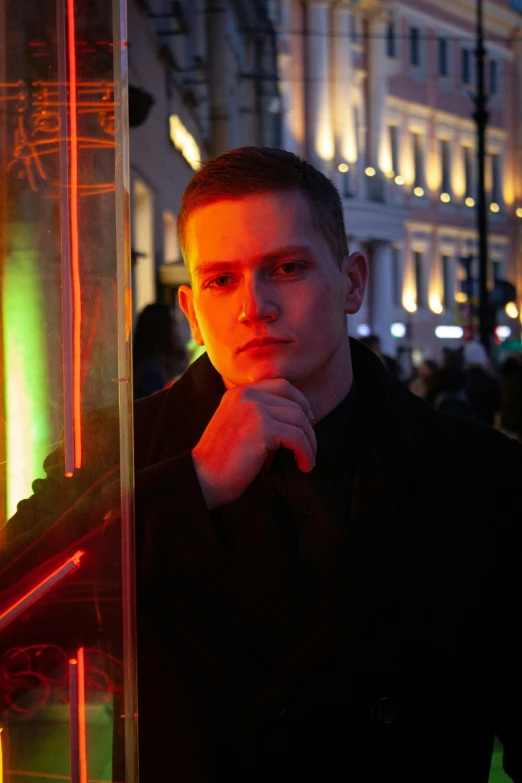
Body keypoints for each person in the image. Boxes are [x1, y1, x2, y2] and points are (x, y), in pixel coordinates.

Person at [4, 147, 522, 782]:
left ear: (353, 282)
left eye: (288, 267)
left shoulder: (483, 475)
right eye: (222, 279)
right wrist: (191, 485)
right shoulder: (119, 451)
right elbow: (13, 615)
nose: (255, 306)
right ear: (193, 311)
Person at [132, 301, 188, 398]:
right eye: (172, 322)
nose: (177, 328)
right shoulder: (150, 371)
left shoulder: (163, 364)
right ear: (161, 329)